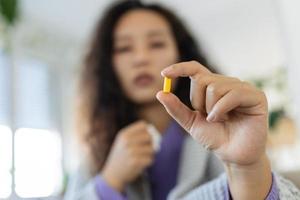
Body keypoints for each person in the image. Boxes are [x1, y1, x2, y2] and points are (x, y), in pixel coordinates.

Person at [64, 1, 300, 200]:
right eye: (124, 48)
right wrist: (109, 182)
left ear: (180, 53)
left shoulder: (219, 132)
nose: (141, 58)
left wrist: (247, 168)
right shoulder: (96, 148)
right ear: (108, 65)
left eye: (156, 44)